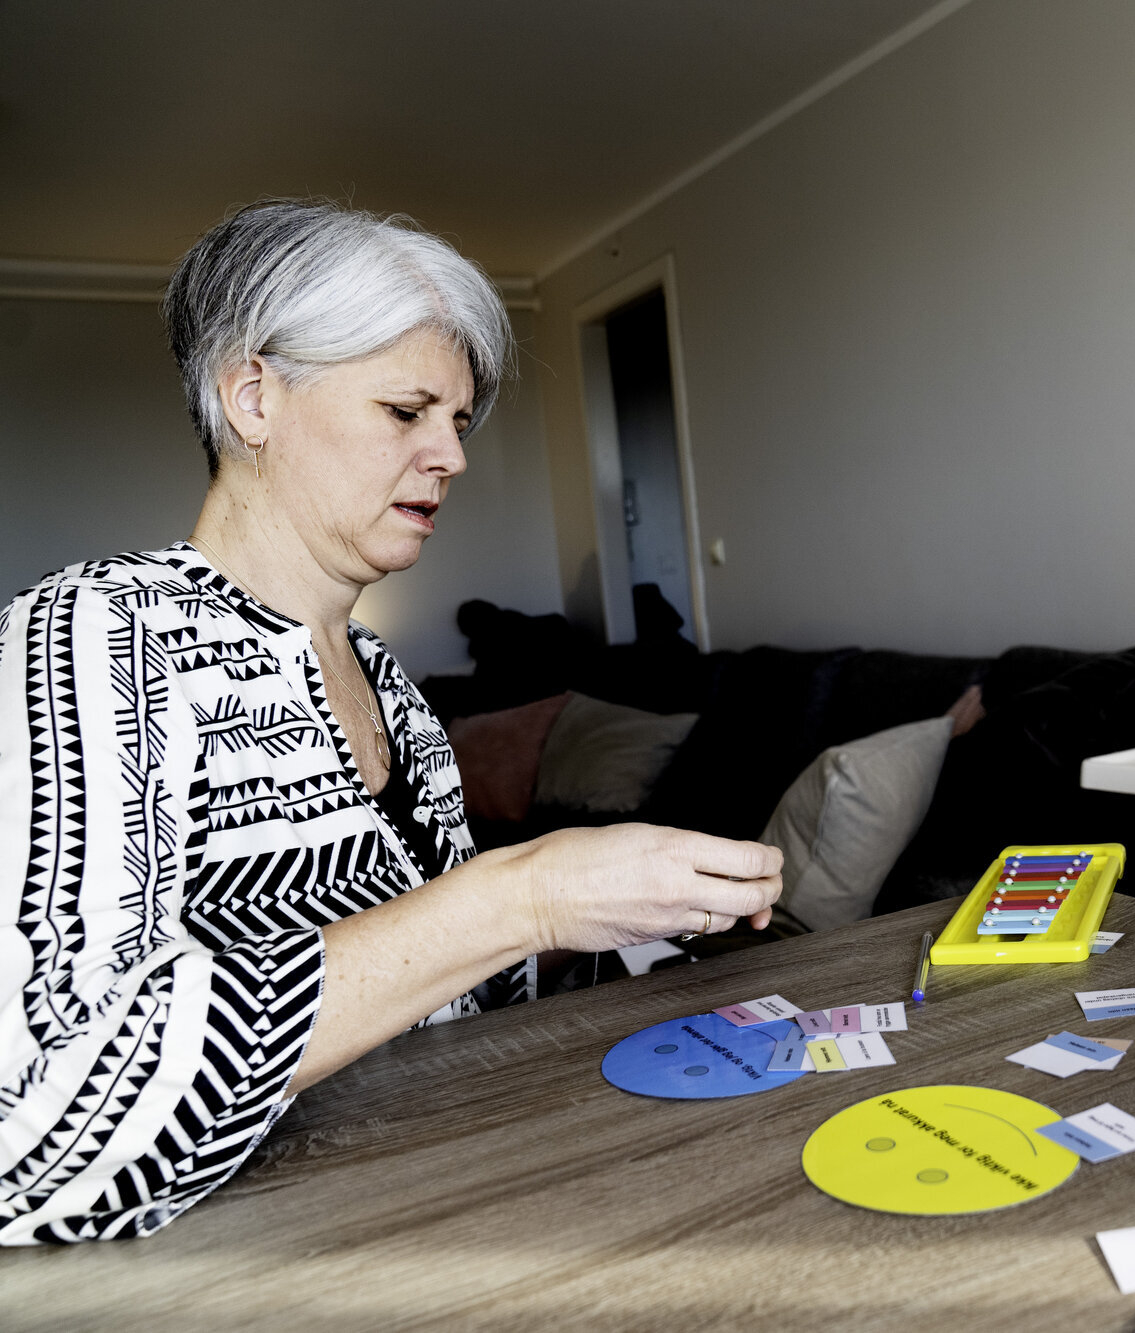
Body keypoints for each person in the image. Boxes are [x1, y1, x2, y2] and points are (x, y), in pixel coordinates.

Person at [0, 201, 783, 1244]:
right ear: (253, 397)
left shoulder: (388, 686)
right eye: (406, 410)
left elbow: (442, 996)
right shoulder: (94, 639)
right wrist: (524, 894)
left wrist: (627, 925)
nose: (450, 455)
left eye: (457, 421)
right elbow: (37, 1117)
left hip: (439, 1208)